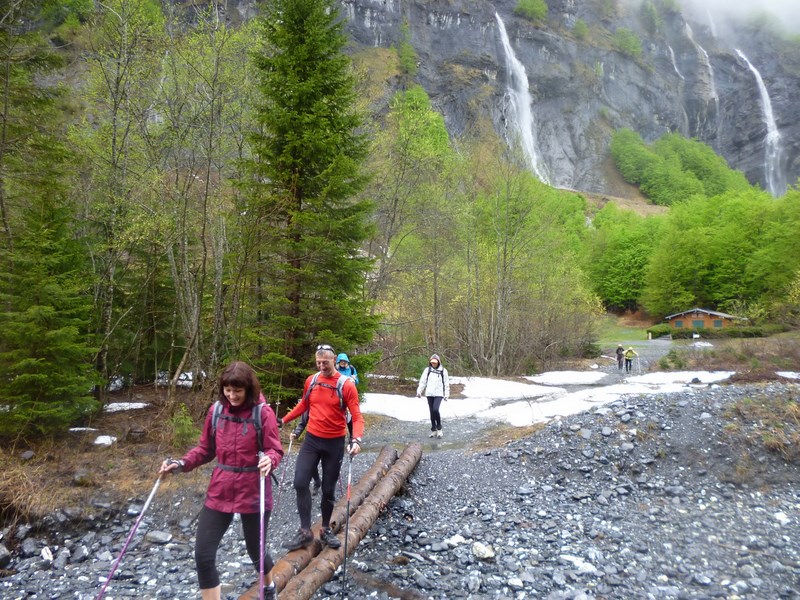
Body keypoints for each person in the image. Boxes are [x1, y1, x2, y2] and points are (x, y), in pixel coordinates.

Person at [159, 361, 283, 600]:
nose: (232, 395)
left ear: (248, 389)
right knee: (203, 555)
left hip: (253, 489)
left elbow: (275, 449)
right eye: (227, 389)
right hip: (221, 489)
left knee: (255, 551)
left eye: (237, 390)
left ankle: (268, 586)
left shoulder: (262, 413)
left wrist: (269, 459)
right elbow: (205, 449)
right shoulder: (216, 411)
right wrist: (181, 463)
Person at [280, 344, 363, 551]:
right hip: (312, 440)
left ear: (333, 359)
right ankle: (305, 532)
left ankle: (325, 529)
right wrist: (283, 420)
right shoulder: (312, 380)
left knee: (328, 490)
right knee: (300, 482)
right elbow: (304, 405)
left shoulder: (346, 385)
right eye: (318, 362)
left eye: (325, 362)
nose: (321, 366)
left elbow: (357, 416)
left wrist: (356, 439)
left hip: (334, 443)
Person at [416, 353, 449, 438]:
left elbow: (446, 384)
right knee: (431, 411)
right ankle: (433, 430)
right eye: (432, 362)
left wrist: (446, 394)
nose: (433, 364)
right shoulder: (427, 370)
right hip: (429, 394)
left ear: (438, 362)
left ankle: (439, 429)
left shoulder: (443, 371)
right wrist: (419, 391)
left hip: (439, 394)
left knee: (435, 409)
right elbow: (423, 381)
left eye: (435, 362)